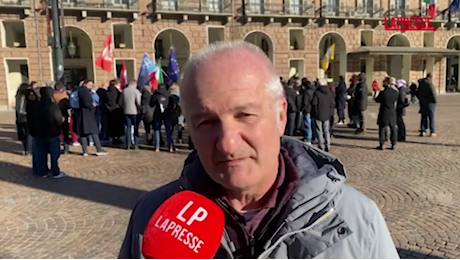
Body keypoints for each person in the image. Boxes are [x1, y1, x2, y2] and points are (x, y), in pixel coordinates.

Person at [118, 41, 399, 259]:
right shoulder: (151, 216)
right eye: (206, 122)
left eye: (245, 116)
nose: (227, 143)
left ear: (280, 116)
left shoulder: (358, 217)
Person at [34, 87, 65, 178]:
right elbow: (57, 119)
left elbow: (32, 119)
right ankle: (55, 171)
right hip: (52, 132)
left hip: (39, 132)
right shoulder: (53, 105)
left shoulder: (36, 105)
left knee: (41, 153)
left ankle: (43, 171)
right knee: (54, 153)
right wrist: (60, 127)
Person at [72, 80, 108, 156]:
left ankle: (85, 151)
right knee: (94, 132)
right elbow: (86, 103)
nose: (91, 87)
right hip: (86, 114)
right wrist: (92, 107)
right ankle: (99, 149)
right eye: (89, 85)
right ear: (85, 84)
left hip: (79, 114)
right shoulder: (84, 91)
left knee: (83, 133)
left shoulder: (79, 90)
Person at [375, 77, 399, 150]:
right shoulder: (395, 92)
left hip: (384, 111)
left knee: (382, 128)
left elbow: (377, 99)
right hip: (392, 111)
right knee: (393, 128)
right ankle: (393, 143)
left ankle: (382, 143)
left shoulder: (383, 92)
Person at [311, 79, 335, 152]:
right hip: (327, 113)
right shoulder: (329, 92)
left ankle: (321, 145)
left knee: (319, 130)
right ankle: (328, 145)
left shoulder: (317, 93)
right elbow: (332, 103)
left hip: (318, 113)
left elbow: (314, 103)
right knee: (326, 131)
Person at [150, 84, 174, 152]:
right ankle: (170, 147)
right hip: (167, 114)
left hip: (157, 114)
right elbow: (172, 104)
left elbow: (151, 104)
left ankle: (157, 147)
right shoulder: (168, 94)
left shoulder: (155, 94)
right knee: (168, 130)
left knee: (157, 130)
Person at [120, 79, 142, 150]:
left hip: (126, 112)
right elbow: (138, 102)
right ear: (134, 84)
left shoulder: (124, 91)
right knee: (135, 128)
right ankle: (135, 144)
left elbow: (120, 103)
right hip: (134, 112)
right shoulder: (136, 91)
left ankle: (128, 144)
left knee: (128, 128)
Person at [15, 83, 33, 155]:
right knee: (29, 134)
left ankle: (26, 149)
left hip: (20, 117)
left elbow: (17, 109)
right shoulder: (26, 97)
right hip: (26, 116)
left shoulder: (18, 97)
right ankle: (29, 150)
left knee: (23, 134)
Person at [53, 82, 70, 153]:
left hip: (54, 115)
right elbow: (67, 106)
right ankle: (66, 148)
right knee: (65, 132)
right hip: (64, 115)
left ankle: (57, 147)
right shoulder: (64, 96)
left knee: (56, 133)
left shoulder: (52, 96)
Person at [106, 79, 125, 145]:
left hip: (109, 111)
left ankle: (113, 138)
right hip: (116, 110)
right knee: (118, 126)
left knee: (111, 126)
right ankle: (118, 138)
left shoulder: (107, 91)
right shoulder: (116, 92)